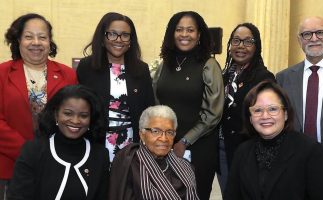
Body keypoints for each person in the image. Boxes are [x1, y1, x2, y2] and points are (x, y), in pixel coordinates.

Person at [0, 13, 77, 198]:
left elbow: (75, 117)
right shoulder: (2, 73)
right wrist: (27, 152)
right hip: (11, 167)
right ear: (18, 40)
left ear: (50, 42)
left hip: (58, 164)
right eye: (29, 36)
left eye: (42, 37)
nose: (36, 42)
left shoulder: (67, 75)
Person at [224, 80, 323, 200]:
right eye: (257, 110)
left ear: (286, 114)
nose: (265, 116)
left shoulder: (310, 150)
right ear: (250, 118)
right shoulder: (242, 151)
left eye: (273, 109)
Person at [152, 11, 224, 200]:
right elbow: (156, 101)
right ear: (172, 33)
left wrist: (184, 141)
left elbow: (213, 113)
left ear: (199, 35)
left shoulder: (209, 65)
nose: (185, 35)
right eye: (179, 30)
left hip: (198, 148)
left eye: (190, 30)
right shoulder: (164, 64)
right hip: (164, 146)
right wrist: (163, 137)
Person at [276, 16, 323, 199]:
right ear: (299, 40)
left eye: (320, 32)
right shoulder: (283, 78)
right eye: (307, 34)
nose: (314, 38)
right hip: (294, 173)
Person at [7, 85, 109, 200]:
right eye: (68, 113)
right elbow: (17, 196)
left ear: (91, 119)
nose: (75, 121)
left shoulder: (100, 155)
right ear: (56, 114)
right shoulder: (33, 150)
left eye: (83, 116)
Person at [77, 12, 155, 162]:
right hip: (94, 144)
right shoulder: (87, 67)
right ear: (102, 37)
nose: (119, 40)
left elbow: (149, 110)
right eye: (112, 34)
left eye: (125, 35)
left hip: (131, 146)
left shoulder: (141, 69)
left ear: (131, 40)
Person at [217, 23, 275, 192]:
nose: (241, 46)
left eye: (248, 41)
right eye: (236, 41)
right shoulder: (223, 76)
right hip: (222, 149)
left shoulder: (264, 78)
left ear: (256, 47)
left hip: (250, 152)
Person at [109, 105, 199, 200]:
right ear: (142, 135)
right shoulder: (128, 164)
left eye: (169, 132)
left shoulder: (185, 167)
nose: (164, 138)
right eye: (156, 131)